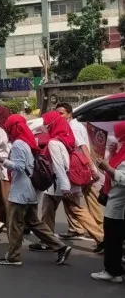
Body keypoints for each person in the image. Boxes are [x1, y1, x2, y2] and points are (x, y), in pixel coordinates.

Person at [0, 114, 72, 266]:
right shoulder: (28, 142)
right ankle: (60, 247)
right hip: (29, 191)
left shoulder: (18, 144)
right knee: (35, 223)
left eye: (9, 128)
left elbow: (19, 167)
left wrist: (1, 159)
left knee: (15, 225)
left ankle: (13, 257)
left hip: (20, 192)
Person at [35, 111, 104, 253]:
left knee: (49, 211)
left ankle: (47, 241)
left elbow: (60, 166)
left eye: (46, 124)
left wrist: (65, 186)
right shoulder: (65, 138)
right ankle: (102, 239)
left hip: (59, 184)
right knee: (77, 210)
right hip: (68, 182)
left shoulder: (54, 142)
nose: (45, 127)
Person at [56, 103, 104, 241]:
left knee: (72, 199)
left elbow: (83, 148)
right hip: (83, 167)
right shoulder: (76, 125)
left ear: (69, 114)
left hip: (79, 167)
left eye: (62, 114)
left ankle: (81, 229)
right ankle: (86, 228)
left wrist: (91, 169)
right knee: (90, 197)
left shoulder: (73, 127)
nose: (60, 117)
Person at [92, 121, 125, 282]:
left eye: (119, 136)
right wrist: (111, 155)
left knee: (113, 239)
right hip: (116, 201)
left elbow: (121, 176)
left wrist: (108, 168)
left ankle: (113, 271)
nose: (117, 139)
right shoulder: (121, 152)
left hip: (119, 206)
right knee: (115, 239)